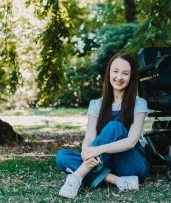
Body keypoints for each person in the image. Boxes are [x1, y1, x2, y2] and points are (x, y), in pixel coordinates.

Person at [56, 53, 149, 199]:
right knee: (62, 157)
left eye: (125, 73)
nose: (119, 77)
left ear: (131, 77)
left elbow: (131, 142)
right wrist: (86, 151)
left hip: (131, 165)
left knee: (115, 127)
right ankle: (117, 180)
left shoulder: (139, 103)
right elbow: (90, 136)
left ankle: (77, 176)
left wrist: (95, 151)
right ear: (109, 73)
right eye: (115, 71)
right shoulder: (96, 104)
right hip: (106, 161)